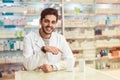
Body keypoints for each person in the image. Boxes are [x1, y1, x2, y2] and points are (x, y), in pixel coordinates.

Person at [23, 8, 75, 73]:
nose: (50, 25)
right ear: (40, 21)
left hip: (54, 76)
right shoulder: (29, 38)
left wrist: (53, 67)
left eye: (53, 22)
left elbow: (71, 61)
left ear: (56, 24)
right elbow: (28, 66)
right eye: (46, 21)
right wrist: (43, 50)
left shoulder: (60, 38)